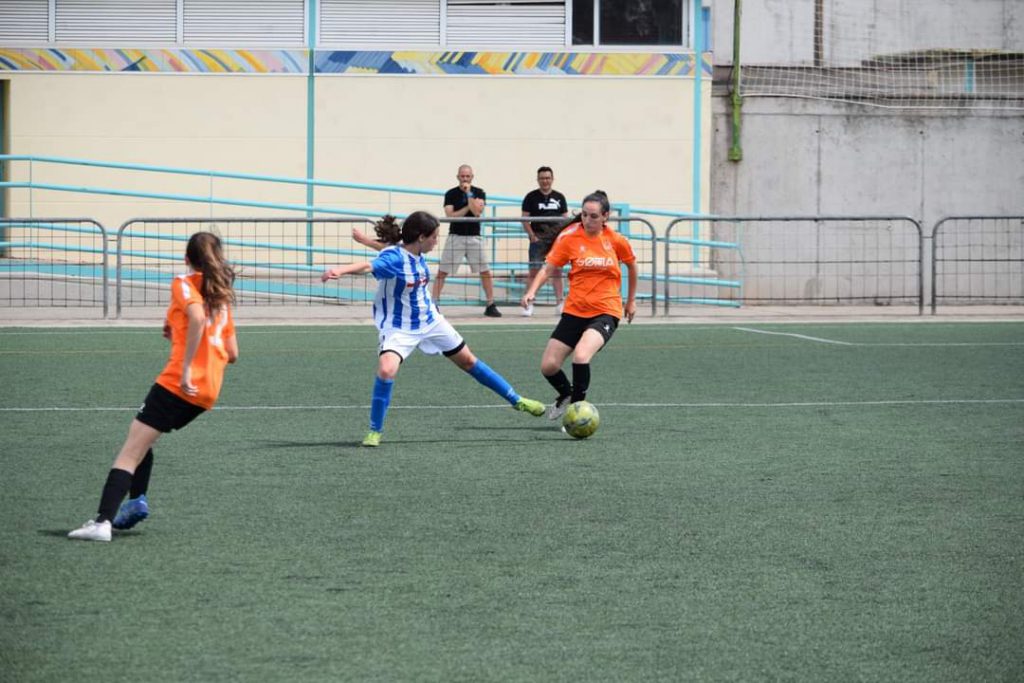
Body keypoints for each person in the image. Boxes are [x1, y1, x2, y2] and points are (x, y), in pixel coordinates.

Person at [68, 232, 239, 541]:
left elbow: (197, 318)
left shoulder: (183, 282)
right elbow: (233, 354)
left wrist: (187, 369)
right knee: (144, 439)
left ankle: (102, 523)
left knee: (130, 450)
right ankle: (136, 501)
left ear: (187, 259)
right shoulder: (222, 296)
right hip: (207, 393)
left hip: (177, 385)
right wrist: (177, 329)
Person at [322, 212, 546, 446]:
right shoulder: (394, 259)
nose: (436, 241)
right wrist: (340, 270)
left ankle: (517, 400)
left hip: (430, 320)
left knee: (469, 361)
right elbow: (369, 265)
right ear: (421, 237)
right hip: (400, 328)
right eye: (434, 237)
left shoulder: (411, 251)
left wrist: (368, 242)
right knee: (387, 370)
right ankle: (374, 431)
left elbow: (385, 248)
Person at [520, 191, 637, 420]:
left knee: (581, 356)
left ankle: (577, 413)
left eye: (593, 216)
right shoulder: (569, 237)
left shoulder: (615, 240)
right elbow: (548, 268)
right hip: (575, 310)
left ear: (605, 216)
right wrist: (532, 291)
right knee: (548, 366)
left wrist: (630, 301)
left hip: (605, 311)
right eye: (584, 215)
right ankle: (566, 393)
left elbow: (632, 266)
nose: (587, 220)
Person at [435, 164, 501, 317]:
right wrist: (467, 208)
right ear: (458, 177)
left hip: (474, 237)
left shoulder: (479, 192)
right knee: (442, 271)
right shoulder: (450, 193)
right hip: (456, 237)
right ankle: (434, 302)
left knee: (484, 271)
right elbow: (451, 216)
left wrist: (469, 195)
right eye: (462, 176)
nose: (465, 179)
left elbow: (477, 212)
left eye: (467, 176)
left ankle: (490, 303)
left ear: (472, 177)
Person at [520, 166, 569, 317]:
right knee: (534, 271)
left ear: (552, 179)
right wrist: (531, 235)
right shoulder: (531, 197)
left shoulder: (560, 197)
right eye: (542, 178)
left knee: (557, 271)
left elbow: (566, 219)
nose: (545, 181)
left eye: (547, 178)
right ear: (538, 179)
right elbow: (525, 218)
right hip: (538, 239)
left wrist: (563, 237)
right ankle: (529, 303)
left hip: (556, 240)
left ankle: (560, 303)